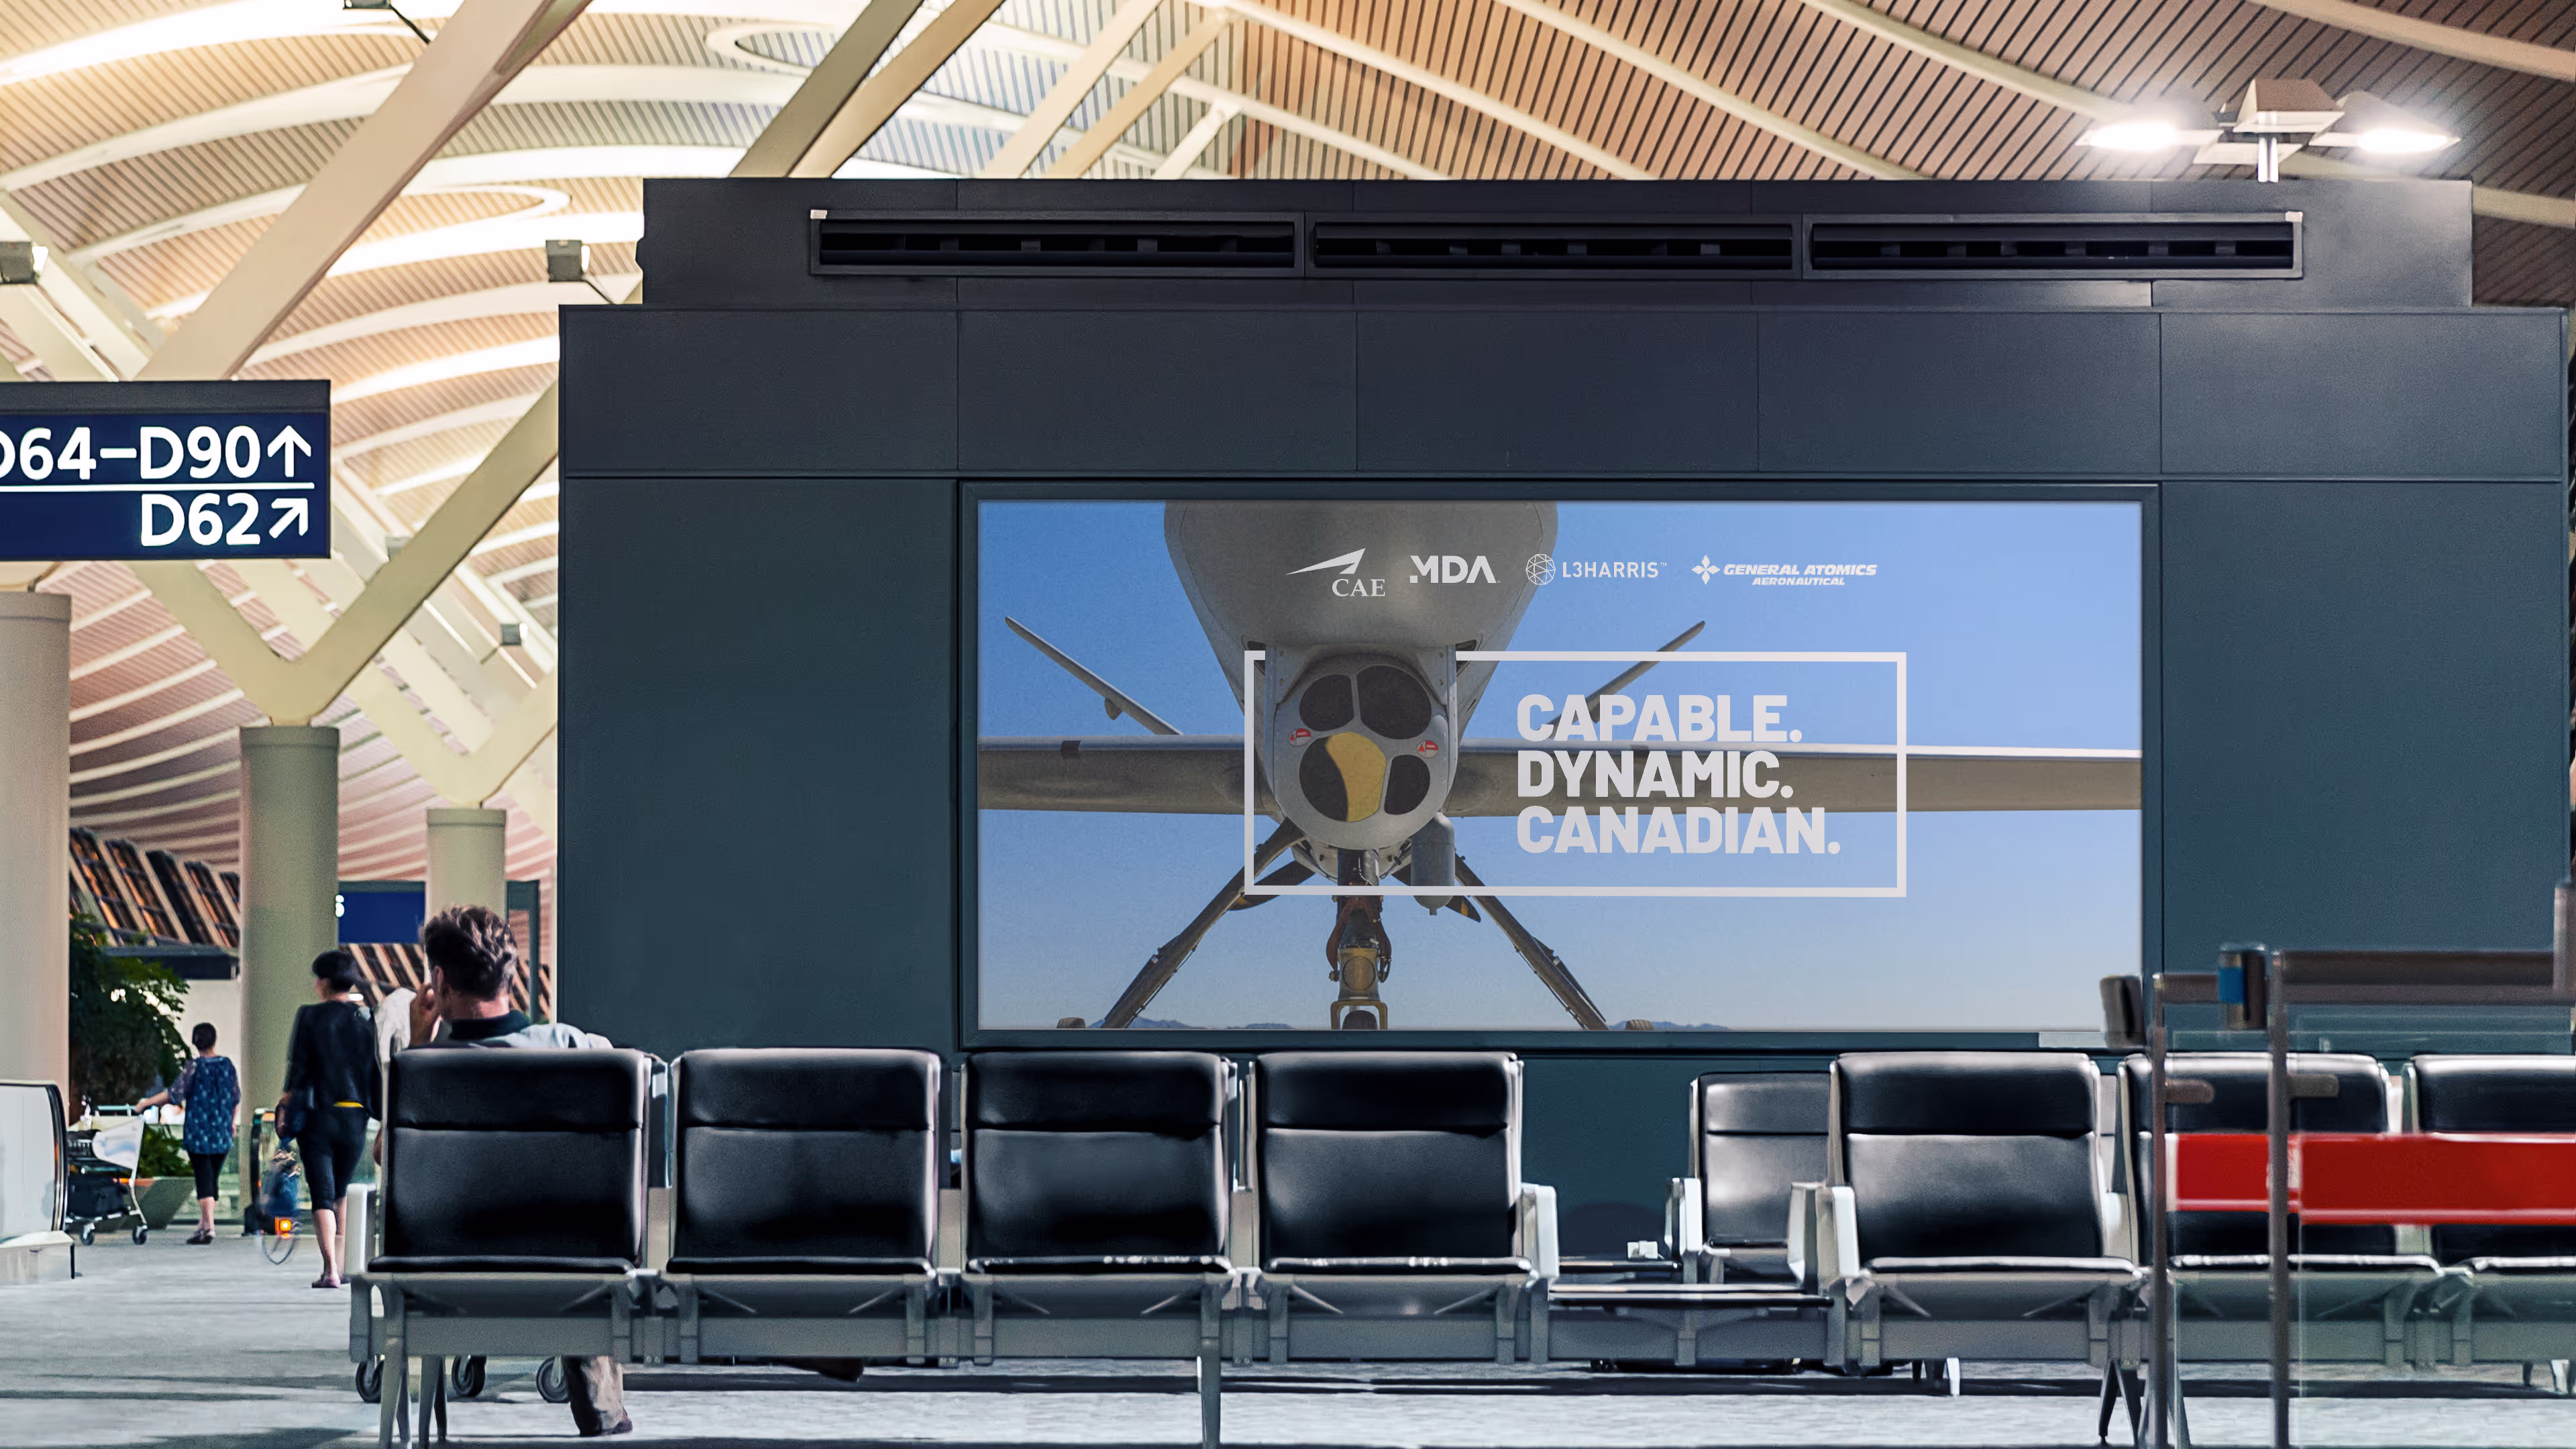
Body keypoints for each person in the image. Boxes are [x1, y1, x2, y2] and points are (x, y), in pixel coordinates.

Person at [407, 904, 630, 1438]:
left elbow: (393, 1157)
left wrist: (420, 1046)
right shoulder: (579, 1050)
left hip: (454, 1264)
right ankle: (601, 1409)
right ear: (511, 974)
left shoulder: (428, 1069)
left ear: (438, 980)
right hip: (571, 1261)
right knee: (573, 1220)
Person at [280, 949, 377, 1289]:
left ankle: (330, 1270)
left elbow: (298, 1069)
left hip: (318, 1113)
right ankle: (347, 1265)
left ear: (322, 983)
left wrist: (285, 1104)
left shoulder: (309, 1017)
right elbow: (373, 1069)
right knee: (341, 1192)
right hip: (355, 1116)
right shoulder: (367, 1018)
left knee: (322, 1193)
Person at [134, 1022, 238, 1244]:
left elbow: (173, 1094)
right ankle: (203, 1224)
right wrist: (232, 1123)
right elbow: (235, 1097)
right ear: (214, 1040)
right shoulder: (227, 1066)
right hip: (222, 1133)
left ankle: (209, 1226)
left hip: (199, 1132)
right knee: (212, 1179)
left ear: (195, 1042)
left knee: (204, 1178)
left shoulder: (194, 1068)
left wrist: (145, 1104)